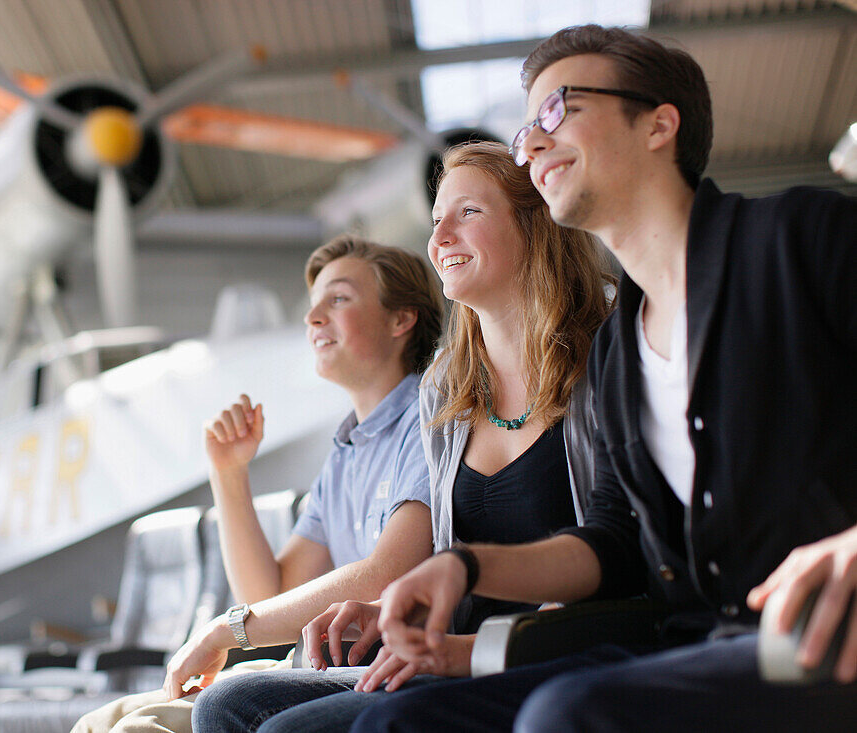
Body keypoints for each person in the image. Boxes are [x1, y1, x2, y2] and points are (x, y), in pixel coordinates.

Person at [352, 24, 857, 733]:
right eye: (527, 126)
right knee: (391, 723)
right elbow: (613, 541)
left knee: (569, 714)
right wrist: (464, 565)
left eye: (557, 109)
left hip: (822, 643)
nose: (529, 143)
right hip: (713, 649)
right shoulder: (619, 352)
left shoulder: (800, 240)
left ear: (658, 124)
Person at [191, 140, 612, 733]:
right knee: (223, 705)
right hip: (453, 648)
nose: (440, 236)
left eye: (468, 212)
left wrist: (230, 629)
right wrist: (389, 615)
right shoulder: (449, 388)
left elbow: (609, 553)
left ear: (535, 223)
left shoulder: (605, 363)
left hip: (543, 648)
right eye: (436, 219)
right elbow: (385, 577)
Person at [70, 234, 443, 733]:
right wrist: (228, 473)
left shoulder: (429, 418)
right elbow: (270, 591)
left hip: (381, 669)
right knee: (101, 721)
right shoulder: (346, 452)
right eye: (313, 306)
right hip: (316, 667)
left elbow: (386, 574)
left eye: (338, 299)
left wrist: (224, 631)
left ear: (402, 319)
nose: (312, 319)